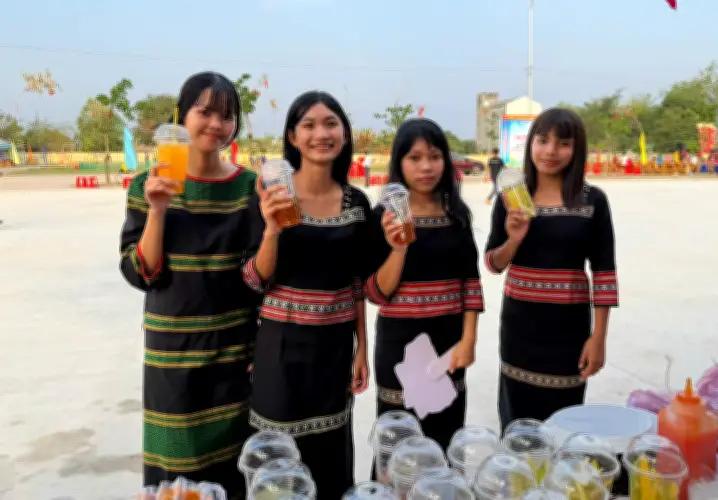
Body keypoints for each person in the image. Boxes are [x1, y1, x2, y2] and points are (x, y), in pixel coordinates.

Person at [119, 72, 257, 499]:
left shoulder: (249, 188)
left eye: (227, 116)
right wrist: (158, 210)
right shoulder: (147, 185)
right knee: (175, 476)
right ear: (181, 115)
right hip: (172, 357)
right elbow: (141, 273)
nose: (216, 124)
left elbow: (258, 277)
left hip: (232, 353)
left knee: (232, 470)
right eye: (205, 111)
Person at [243, 91, 373, 500]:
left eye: (331, 123)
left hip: (333, 351)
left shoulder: (357, 203)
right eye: (309, 125)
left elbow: (357, 283)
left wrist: (362, 349)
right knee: (278, 464)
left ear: (344, 134)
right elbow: (253, 279)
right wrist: (272, 230)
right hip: (279, 349)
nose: (322, 133)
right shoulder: (271, 195)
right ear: (292, 137)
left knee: (329, 457)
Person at [484, 108, 618, 429]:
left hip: (568, 332)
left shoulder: (592, 201)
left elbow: (604, 274)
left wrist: (598, 337)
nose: (551, 151)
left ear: (577, 149)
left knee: (563, 424)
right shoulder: (512, 199)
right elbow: (493, 263)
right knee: (518, 426)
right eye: (542, 141)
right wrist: (514, 239)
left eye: (563, 143)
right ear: (531, 144)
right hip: (520, 330)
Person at [366, 118, 484, 452]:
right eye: (414, 158)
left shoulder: (456, 215)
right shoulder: (382, 217)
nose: (426, 167)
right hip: (399, 347)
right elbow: (375, 293)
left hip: (448, 346)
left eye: (434, 157)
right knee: (398, 443)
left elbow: (470, 283)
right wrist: (399, 248)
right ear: (399, 163)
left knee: (444, 436)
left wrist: (469, 340)